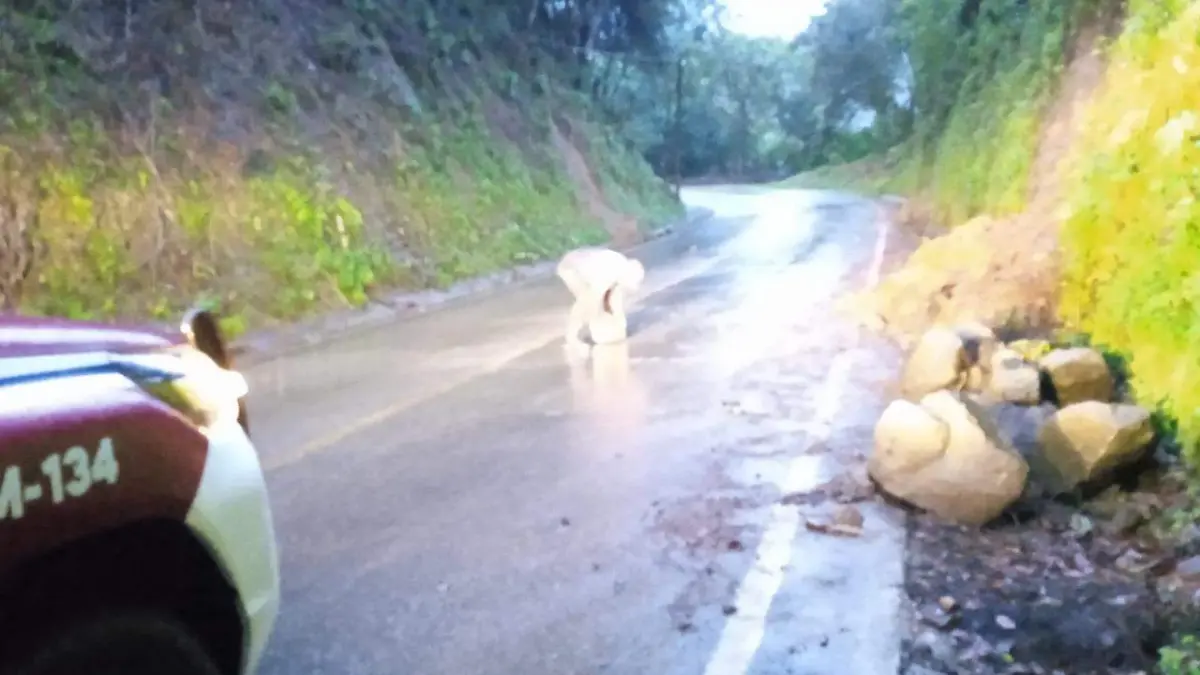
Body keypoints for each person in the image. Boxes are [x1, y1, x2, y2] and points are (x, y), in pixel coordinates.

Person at [555, 246, 645, 347]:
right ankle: (580, 335)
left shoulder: (622, 268)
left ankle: (607, 330)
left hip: (586, 265)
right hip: (569, 269)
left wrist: (620, 325)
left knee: (606, 301)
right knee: (588, 302)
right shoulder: (607, 275)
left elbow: (616, 300)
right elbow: (591, 302)